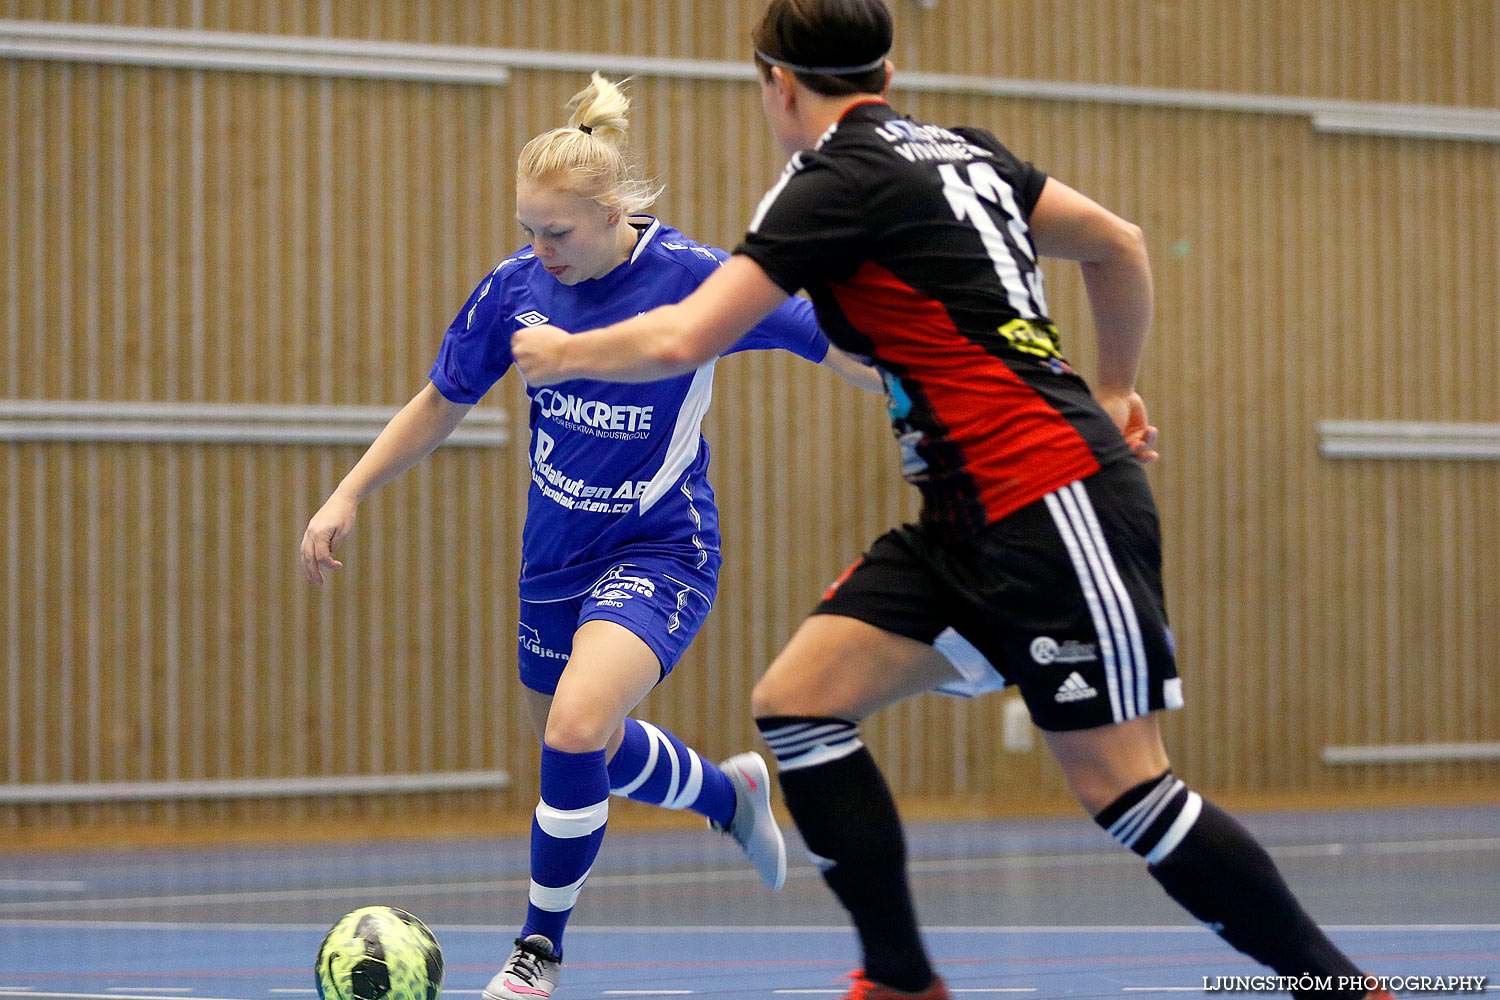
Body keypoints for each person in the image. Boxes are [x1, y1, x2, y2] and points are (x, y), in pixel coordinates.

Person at [507, 4, 1395, 1000]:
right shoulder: (964, 153)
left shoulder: (828, 183)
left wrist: (561, 352)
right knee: (798, 704)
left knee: (1125, 786)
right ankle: (900, 979)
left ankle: (1341, 987)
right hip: (962, 513)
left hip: (1049, 496)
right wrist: (1113, 386)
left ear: (779, 84)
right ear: (882, 69)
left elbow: (680, 338)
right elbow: (1117, 244)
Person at [299, 73, 879, 1000]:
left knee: (575, 727)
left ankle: (537, 954)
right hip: (552, 557)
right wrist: (349, 491)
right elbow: (442, 400)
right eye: (529, 227)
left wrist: (926, 387)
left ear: (612, 214)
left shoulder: (697, 280)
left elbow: (832, 342)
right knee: (586, 751)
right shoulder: (517, 287)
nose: (540, 248)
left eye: (557, 231)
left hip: (660, 549)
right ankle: (729, 797)